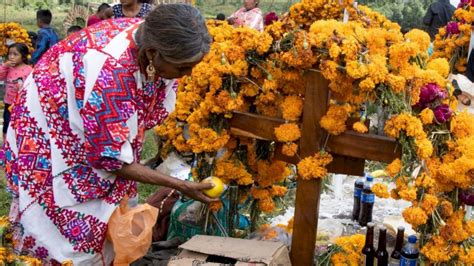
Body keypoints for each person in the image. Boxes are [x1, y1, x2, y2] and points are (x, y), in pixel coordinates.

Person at [3, 4, 214, 264]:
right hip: (48, 131)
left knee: (110, 214)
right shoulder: (110, 72)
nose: (188, 74)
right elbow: (112, 160)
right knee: (63, 229)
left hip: (82, 116)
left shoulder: (152, 40)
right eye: (183, 68)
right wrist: (180, 185)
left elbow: (123, 130)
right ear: (152, 53)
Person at [0, 43, 32, 139]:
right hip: (9, 103)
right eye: (10, 54)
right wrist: (5, 66)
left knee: (19, 126)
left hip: (21, 104)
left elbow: (31, 86)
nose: (12, 57)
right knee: (7, 124)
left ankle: (18, 145)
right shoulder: (8, 68)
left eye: (15, 54)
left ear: (23, 57)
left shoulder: (28, 70)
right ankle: (6, 147)